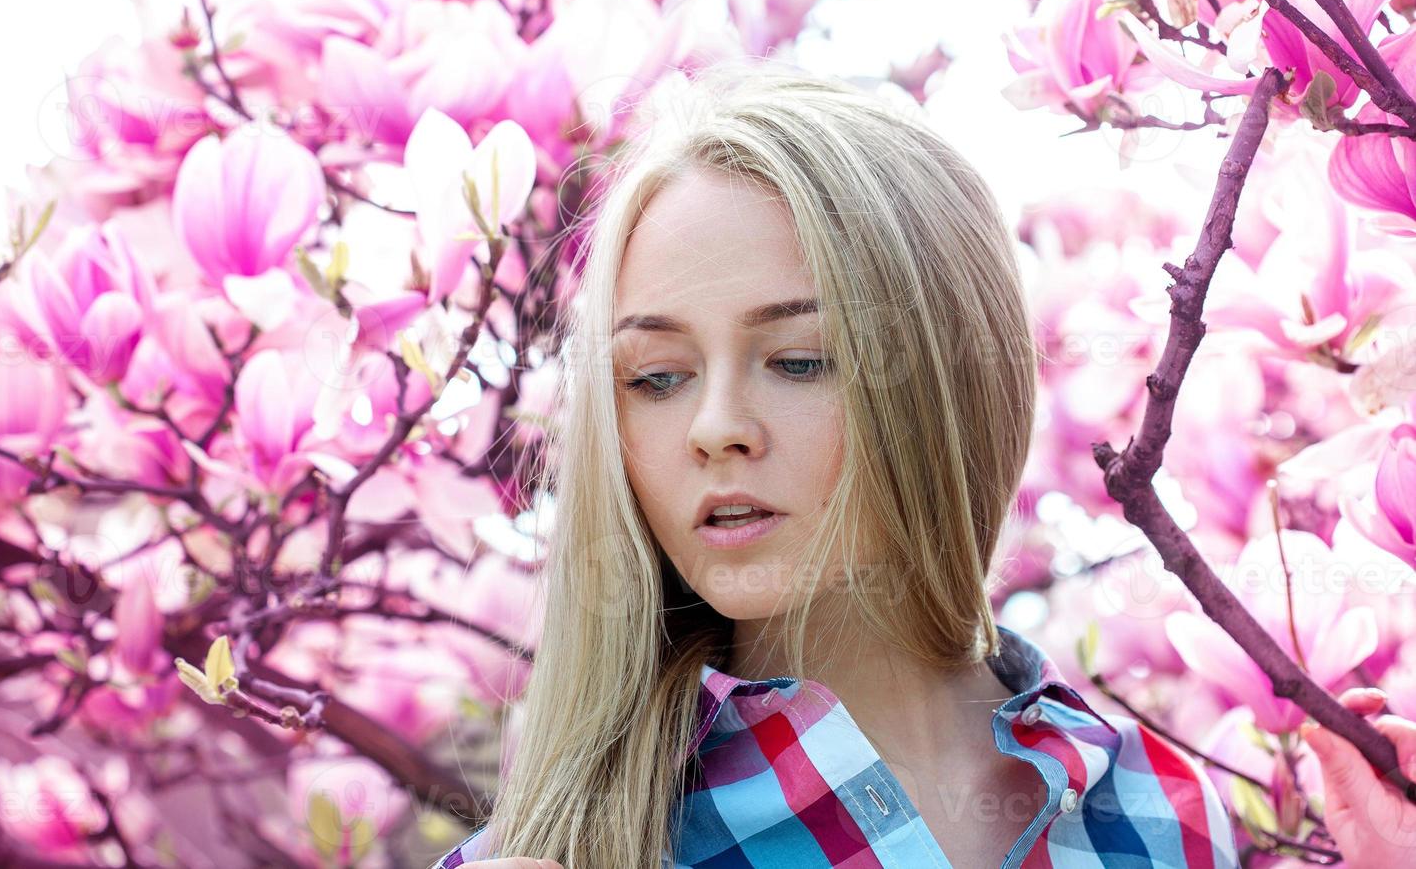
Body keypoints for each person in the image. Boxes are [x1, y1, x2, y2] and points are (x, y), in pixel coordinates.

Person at [430, 59, 1240, 867]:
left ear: (955, 382)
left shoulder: (1162, 818)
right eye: (657, 378)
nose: (714, 429)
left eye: (800, 360)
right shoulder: (562, 855)